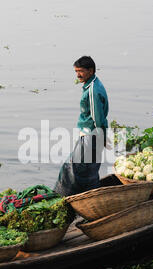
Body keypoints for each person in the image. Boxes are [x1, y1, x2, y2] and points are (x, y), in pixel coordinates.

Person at [54, 56, 109, 196]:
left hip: (91, 134)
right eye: (76, 71)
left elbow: (97, 118)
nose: (78, 75)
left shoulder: (92, 91)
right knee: (89, 169)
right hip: (93, 134)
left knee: (74, 169)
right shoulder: (94, 84)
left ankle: (67, 198)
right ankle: (92, 196)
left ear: (90, 71)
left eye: (81, 71)